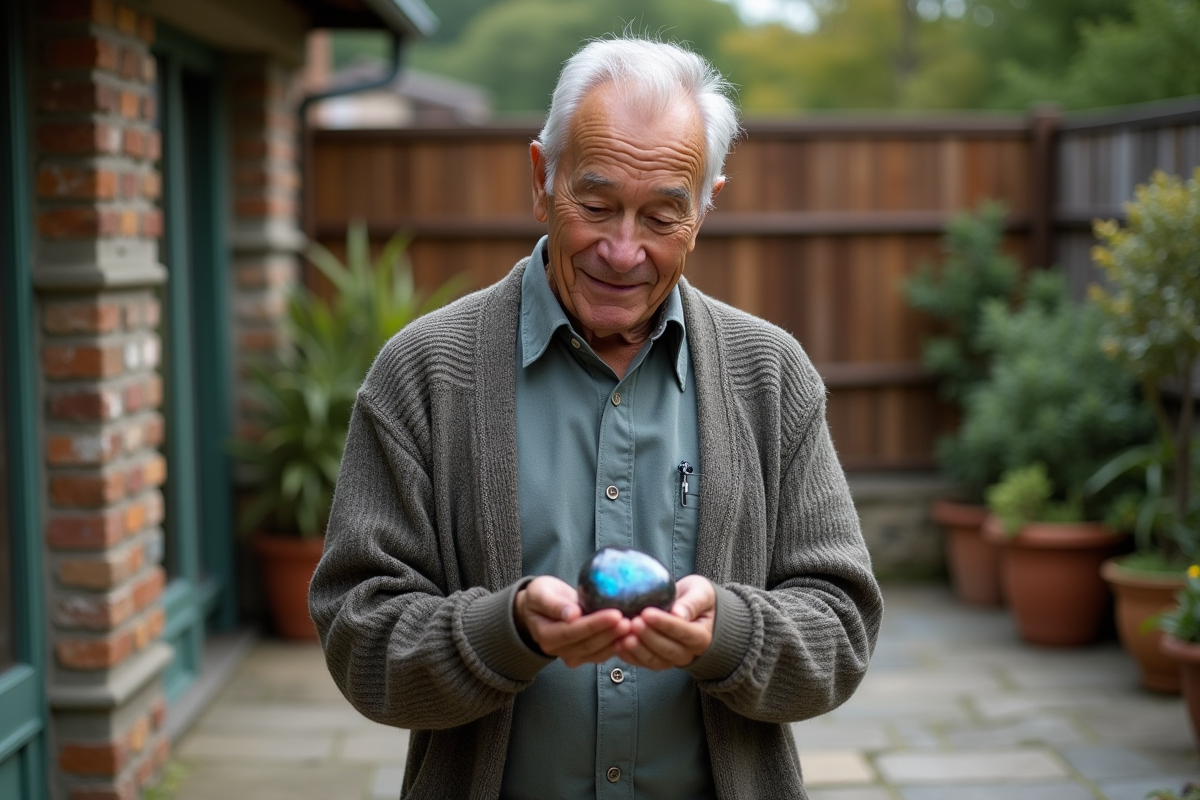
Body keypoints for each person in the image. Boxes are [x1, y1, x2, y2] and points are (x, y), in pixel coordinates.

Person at [309, 36, 883, 800]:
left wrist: (727, 635)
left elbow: (841, 629)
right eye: (598, 203)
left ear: (707, 205)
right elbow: (359, 640)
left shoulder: (769, 375)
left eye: (661, 216)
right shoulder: (423, 374)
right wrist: (505, 632)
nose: (623, 250)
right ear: (542, 178)